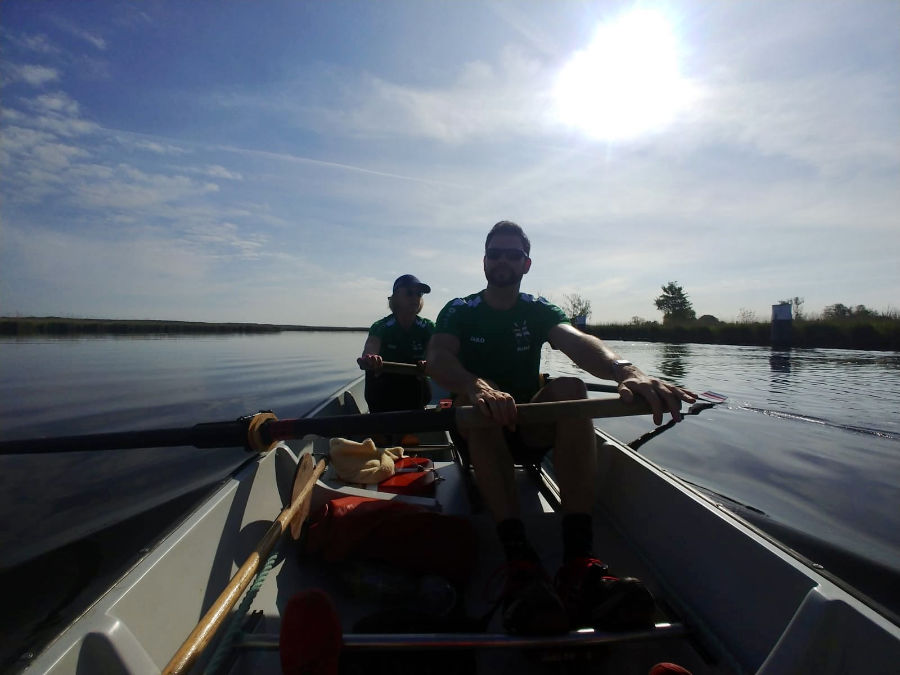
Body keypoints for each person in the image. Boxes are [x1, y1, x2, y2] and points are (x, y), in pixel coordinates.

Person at [426, 221, 696, 635]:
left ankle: (578, 564)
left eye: (512, 254)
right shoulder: (459, 310)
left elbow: (575, 341)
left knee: (570, 387)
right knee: (473, 405)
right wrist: (472, 384)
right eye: (495, 253)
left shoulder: (538, 309)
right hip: (478, 427)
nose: (503, 260)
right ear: (484, 262)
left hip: (528, 428)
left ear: (526, 263)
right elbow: (439, 358)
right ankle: (520, 563)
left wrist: (626, 371)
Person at [358, 274, 435, 414]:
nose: (415, 297)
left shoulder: (428, 327)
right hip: (384, 393)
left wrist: (430, 362)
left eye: (419, 294)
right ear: (395, 297)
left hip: (416, 391)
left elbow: (437, 352)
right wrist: (370, 358)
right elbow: (370, 349)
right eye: (409, 293)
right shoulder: (381, 326)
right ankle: (380, 427)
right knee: (373, 375)